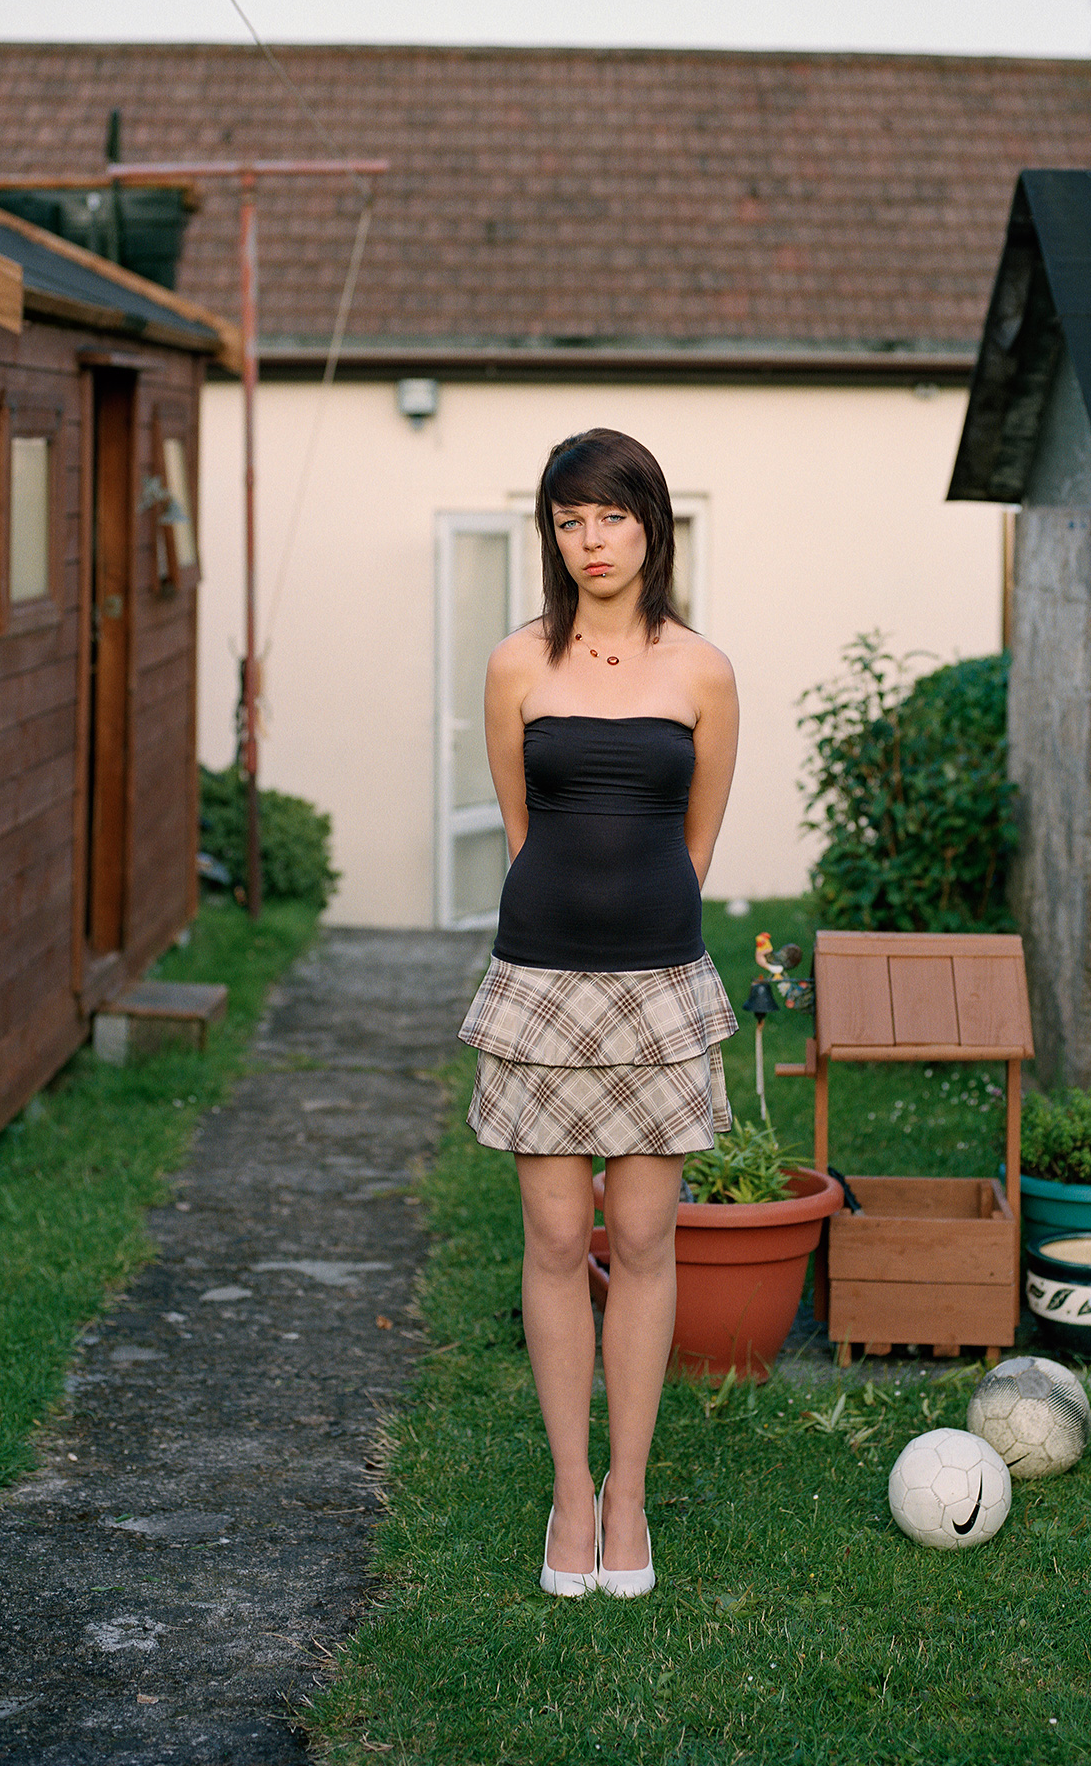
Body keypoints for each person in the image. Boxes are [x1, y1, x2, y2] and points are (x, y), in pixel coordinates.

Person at [458, 427, 739, 1600]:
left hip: (657, 985)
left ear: (651, 527)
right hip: (542, 982)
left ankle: (629, 1496)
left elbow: (699, 837)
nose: (592, 540)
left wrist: (640, 918)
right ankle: (570, 1495)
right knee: (558, 1242)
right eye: (571, 520)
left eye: (612, 517)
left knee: (643, 1241)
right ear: (552, 535)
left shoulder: (704, 671)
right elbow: (523, 829)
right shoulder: (518, 663)